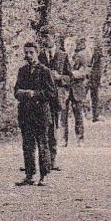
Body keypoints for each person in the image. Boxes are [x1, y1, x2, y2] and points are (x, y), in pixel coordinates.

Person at [14, 41, 57, 186]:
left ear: (37, 53)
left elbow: (51, 93)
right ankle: (29, 175)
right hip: (26, 113)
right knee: (27, 145)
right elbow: (16, 90)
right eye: (26, 52)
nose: (28, 55)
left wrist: (35, 94)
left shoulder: (45, 71)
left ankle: (44, 175)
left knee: (42, 144)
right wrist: (22, 93)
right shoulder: (22, 71)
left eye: (31, 52)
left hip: (41, 114)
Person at [37, 34, 68, 167]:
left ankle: (52, 160)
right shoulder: (39, 55)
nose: (46, 41)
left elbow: (69, 77)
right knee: (43, 127)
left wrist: (59, 77)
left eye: (48, 38)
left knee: (53, 127)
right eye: (44, 39)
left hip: (56, 97)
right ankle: (43, 159)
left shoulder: (63, 56)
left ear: (54, 39)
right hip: (43, 97)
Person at [59, 35, 85, 145]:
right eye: (67, 45)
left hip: (76, 90)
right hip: (64, 90)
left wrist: (76, 74)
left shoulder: (80, 58)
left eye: (72, 45)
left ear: (75, 46)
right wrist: (68, 76)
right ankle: (63, 139)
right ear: (64, 47)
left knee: (78, 114)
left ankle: (80, 139)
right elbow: (58, 73)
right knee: (63, 116)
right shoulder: (60, 58)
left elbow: (84, 72)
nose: (70, 47)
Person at [81, 35, 103, 121]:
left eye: (93, 42)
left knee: (95, 97)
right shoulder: (82, 53)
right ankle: (83, 114)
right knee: (82, 97)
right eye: (90, 42)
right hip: (85, 78)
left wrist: (99, 77)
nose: (91, 44)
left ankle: (95, 116)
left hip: (95, 78)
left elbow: (100, 66)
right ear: (86, 43)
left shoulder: (98, 53)